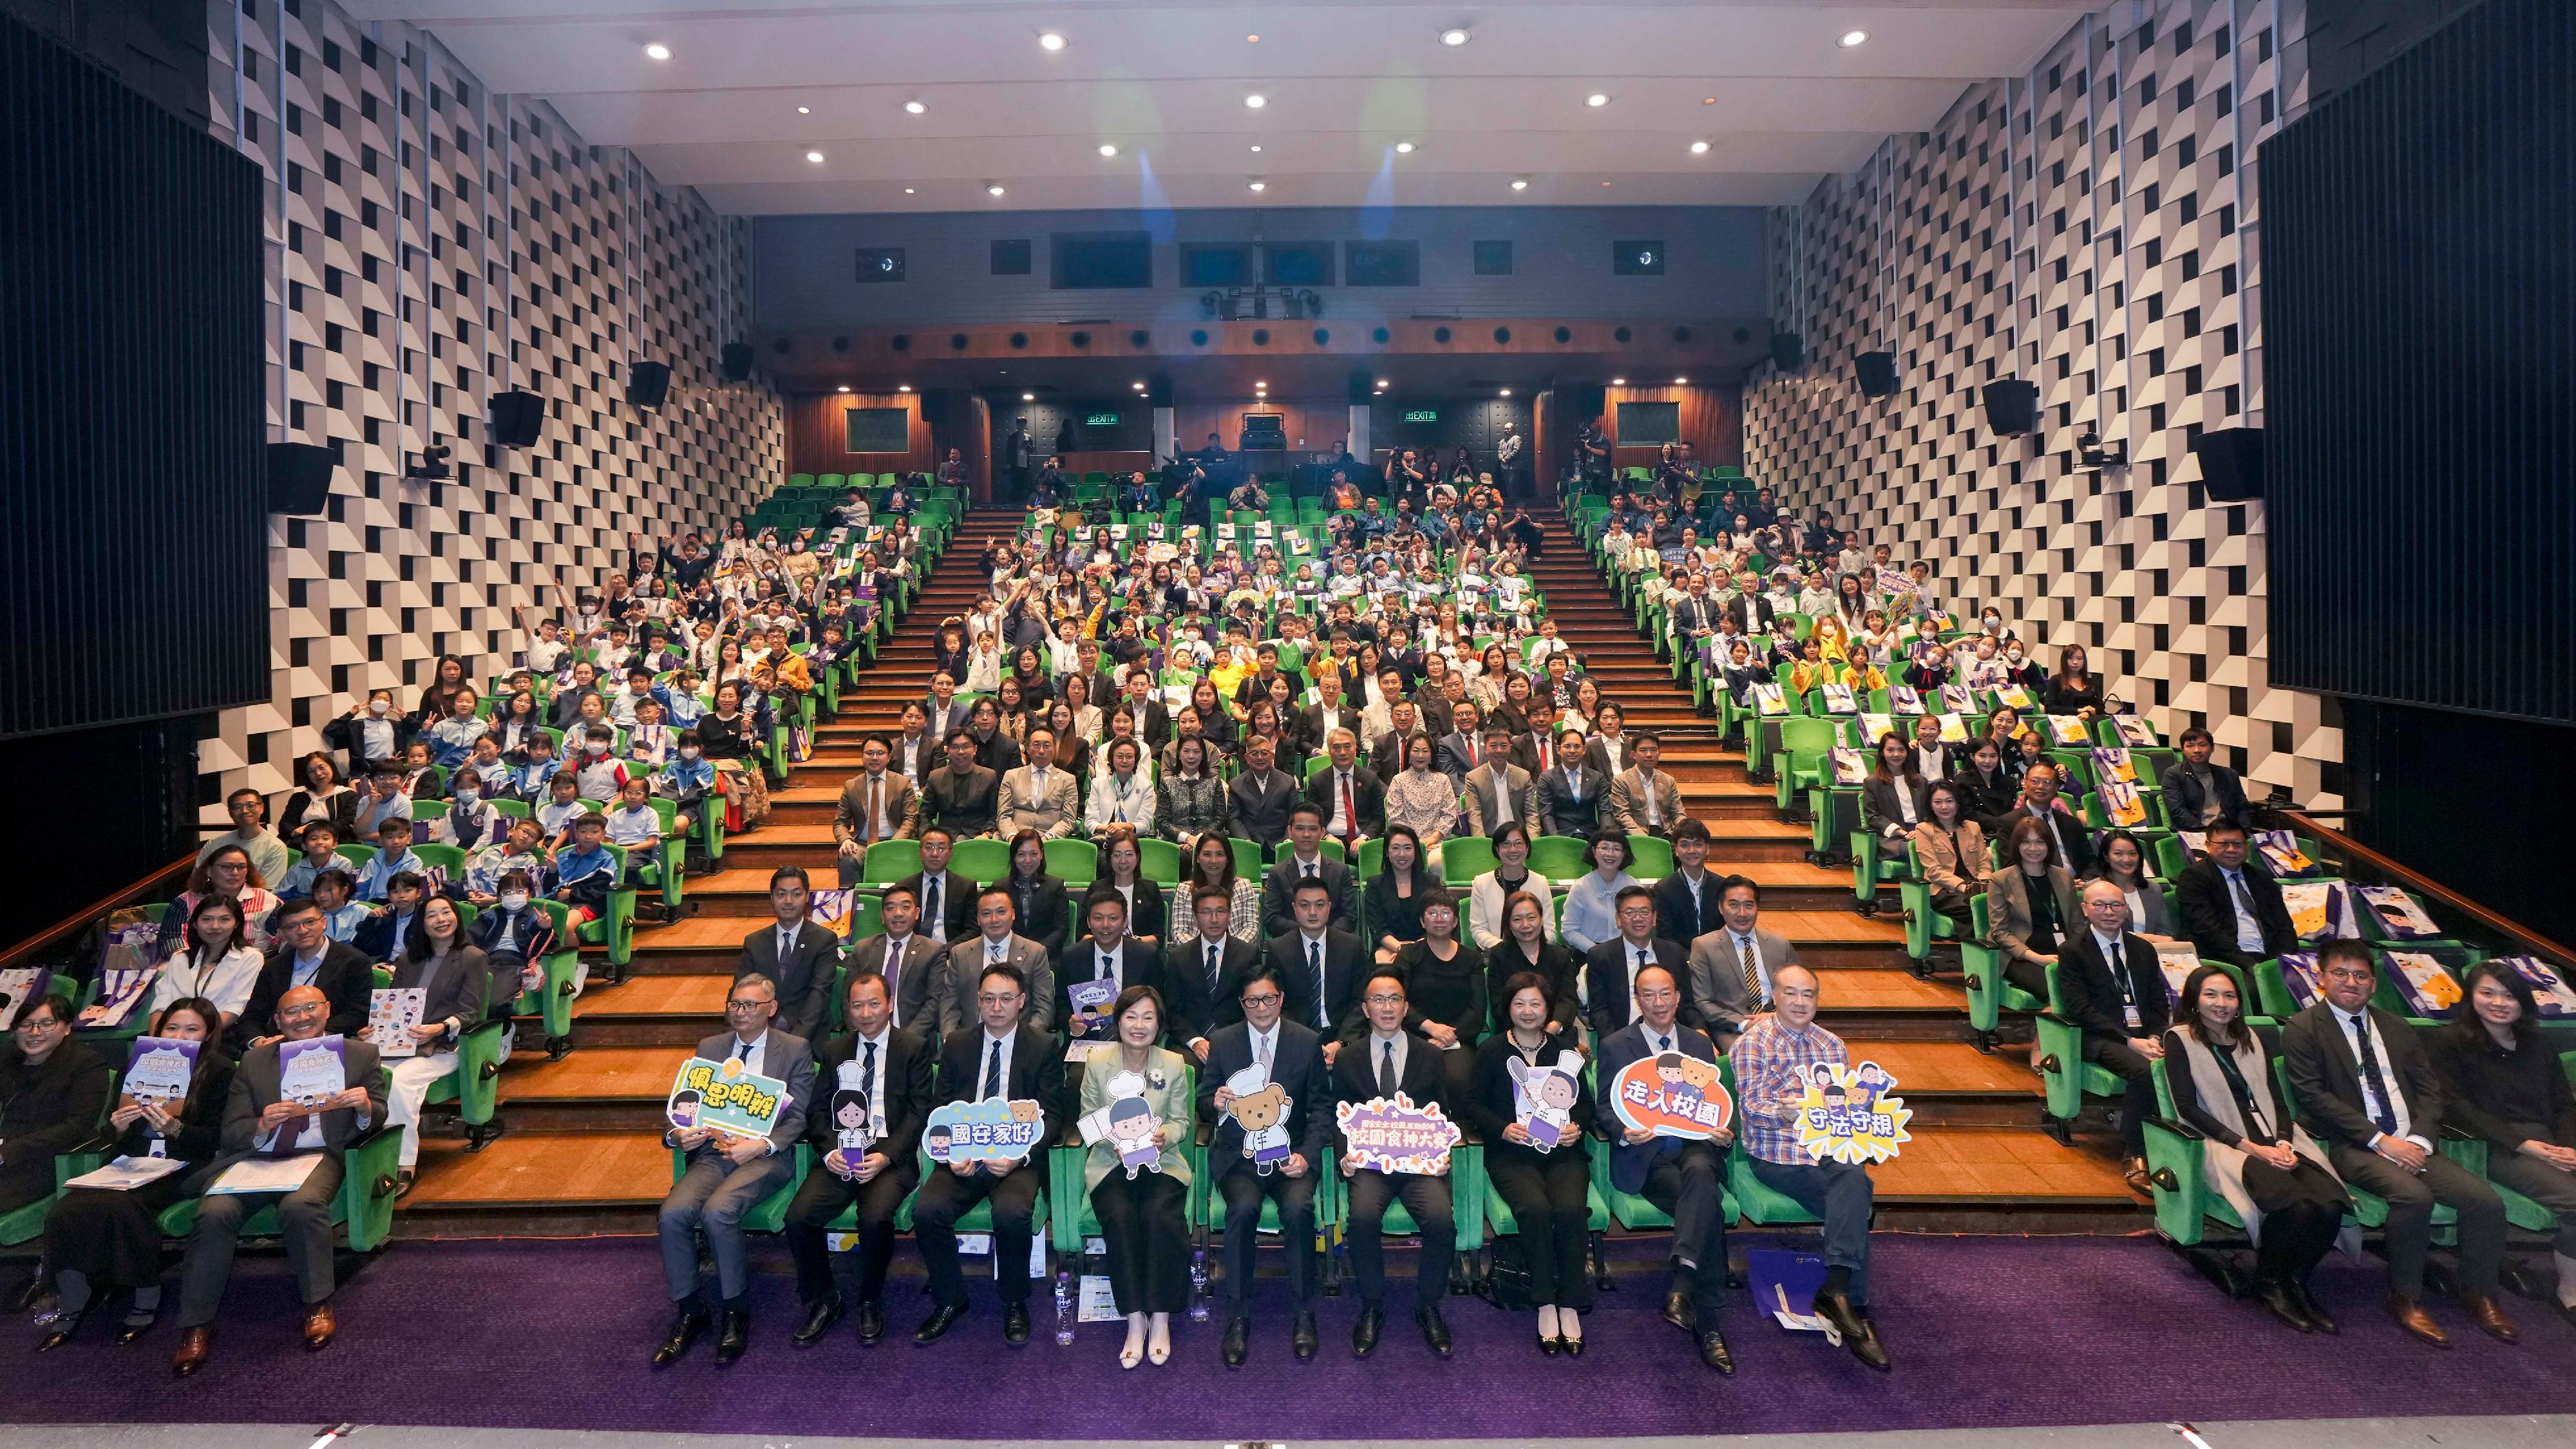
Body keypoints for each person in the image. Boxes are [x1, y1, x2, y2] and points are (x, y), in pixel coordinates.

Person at [2283, 940, 2515, 1347]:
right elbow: (2314, 1098)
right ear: (2322, 979)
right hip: (2350, 1144)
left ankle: (2480, 1292)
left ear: (2373, 984)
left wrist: (2421, 1140)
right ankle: (2405, 1296)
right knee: (2414, 1196)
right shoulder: (2303, 1029)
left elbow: (2430, 1091)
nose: (2351, 982)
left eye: (2360, 975)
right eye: (2340, 973)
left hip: (2414, 1142)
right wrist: (2382, 1142)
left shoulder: (2396, 1026)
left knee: (2486, 1201)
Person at [171, 984, 384, 1376]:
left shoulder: (360, 1054)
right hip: (259, 1156)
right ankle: (196, 1324)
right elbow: (232, 1132)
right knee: (214, 1212)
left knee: (302, 1206)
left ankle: (317, 1302)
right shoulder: (253, 1062)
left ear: (327, 1008)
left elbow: (379, 1116)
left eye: (309, 1008)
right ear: (277, 1020)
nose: (301, 1018)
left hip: (319, 1155)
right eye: (290, 1012)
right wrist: (261, 1124)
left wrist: (366, 1107)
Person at [2161, 964, 2351, 1333]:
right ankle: (2270, 1282)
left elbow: (2278, 1100)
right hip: (2226, 1145)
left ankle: (2296, 1280)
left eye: (2230, 996)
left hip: (2275, 1142)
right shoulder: (2180, 1038)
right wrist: (2249, 1147)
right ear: (2195, 1001)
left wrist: (2282, 1139)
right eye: (2211, 995)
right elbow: (2187, 1108)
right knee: (2298, 1207)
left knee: (2331, 1205)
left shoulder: (2250, 1037)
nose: (2222, 1003)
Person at [35, 998, 233, 1350]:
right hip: (131, 1162)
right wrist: (115, 1126)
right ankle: (72, 1301)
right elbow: (111, 1134)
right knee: (67, 1209)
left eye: (192, 1029)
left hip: (185, 1165)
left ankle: (145, 1297)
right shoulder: (140, 1064)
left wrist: (176, 1129)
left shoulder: (219, 1071)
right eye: (172, 1027)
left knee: (126, 1208)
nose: (180, 1035)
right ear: (159, 1029)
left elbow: (219, 1138)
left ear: (208, 1034)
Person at [1727, 964, 1890, 1368]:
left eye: (1809, 995)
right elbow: (1750, 1108)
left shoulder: (1832, 1045)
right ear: (1775, 997)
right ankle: (1855, 1308)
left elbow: (1845, 1106)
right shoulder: (1753, 1043)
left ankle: (1837, 1292)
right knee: (1853, 1198)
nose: (1801, 1002)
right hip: (1777, 1152)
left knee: (1853, 1177)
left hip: (1826, 1148)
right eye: (1792, 993)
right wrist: (1781, 1114)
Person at [653, 972, 817, 1367]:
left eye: (750, 1006)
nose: (740, 1013)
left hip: (765, 1157)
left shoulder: (794, 1049)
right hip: (713, 1153)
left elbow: (797, 1119)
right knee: (672, 1214)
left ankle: (735, 1310)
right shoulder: (710, 1048)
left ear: (771, 1010)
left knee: (718, 1211)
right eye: (734, 1005)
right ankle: (691, 1310)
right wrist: (679, 1136)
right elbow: (683, 1107)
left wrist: (760, 1144)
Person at [914, 963, 1066, 1345]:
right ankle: (951, 1299)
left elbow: (1053, 1114)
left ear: (1022, 1002)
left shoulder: (1043, 1046)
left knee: (1013, 1213)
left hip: (1016, 1158)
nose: (996, 1006)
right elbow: (940, 1108)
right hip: (964, 1156)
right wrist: (949, 1154)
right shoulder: (958, 1043)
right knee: (927, 1211)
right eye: (988, 999)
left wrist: (1021, 1157)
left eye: (1005, 998)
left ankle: (1014, 1299)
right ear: (977, 1001)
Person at [784, 969, 934, 1347]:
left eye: (874, 1003)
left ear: (889, 1005)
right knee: (799, 1218)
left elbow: (919, 1112)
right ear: (848, 1010)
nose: (866, 1013)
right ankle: (825, 1298)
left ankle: (869, 1299)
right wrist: (830, 1150)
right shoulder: (835, 1051)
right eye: (857, 1005)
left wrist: (886, 1156)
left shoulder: (913, 1047)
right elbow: (817, 1111)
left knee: (873, 1217)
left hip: (889, 1154)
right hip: (842, 1150)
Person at [1596, 965, 1734, 1372]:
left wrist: (1723, 1133)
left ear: (1678, 997)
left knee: (1702, 1173)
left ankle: (1686, 1289)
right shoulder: (1617, 1044)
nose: (1658, 1003)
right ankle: (1706, 1321)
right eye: (1648, 995)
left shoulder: (1698, 1043)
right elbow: (1605, 1105)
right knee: (1704, 1199)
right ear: (1638, 1000)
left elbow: (1713, 1105)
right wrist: (1623, 1130)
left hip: (1696, 1146)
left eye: (1665, 994)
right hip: (1648, 1156)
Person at [1201, 963, 1331, 1364]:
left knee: (1298, 1209)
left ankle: (1303, 1309)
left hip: (1289, 1154)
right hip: (1240, 1157)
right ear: (1242, 1003)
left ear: (1281, 999)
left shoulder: (1306, 1041)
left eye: (1268, 998)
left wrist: (1306, 1156)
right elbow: (1203, 1104)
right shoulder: (1223, 1042)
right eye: (1252, 1000)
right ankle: (1238, 1313)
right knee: (1242, 1209)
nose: (1261, 1007)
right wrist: (1216, 1102)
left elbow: (1322, 1108)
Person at [2434, 961, 2576, 1326]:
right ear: (2471, 997)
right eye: (2488, 993)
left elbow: (2564, 1105)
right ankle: (2570, 1292)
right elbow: (2459, 1109)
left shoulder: (2537, 1045)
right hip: (2496, 1145)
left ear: (2523, 1002)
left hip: (2552, 1142)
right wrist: (2524, 1145)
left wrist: (2569, 1146)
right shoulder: (2451, 1044)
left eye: (2510, 995)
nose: (2499, 1002)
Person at [1466, 972, 1595, 1354]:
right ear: (1507, 1008)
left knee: (1571, 1210)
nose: (1527, 1011)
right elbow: (1472, 1104)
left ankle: (1570, 1301)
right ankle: (1545, 1301)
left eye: (1535, 1003)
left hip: (1563, 1152)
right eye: (1519, 1003)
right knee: (1535, 1209)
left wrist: (1577, 1127)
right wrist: (1501, 1128)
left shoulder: (1564, 1053)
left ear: (1547, 1009)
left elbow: (1585, 1104)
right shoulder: (1491, 1051)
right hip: (1513, 1154)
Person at [1334, 969, 1458, 1357]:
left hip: (1420, 1165)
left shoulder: (1431, 1055)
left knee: (1441, 1220)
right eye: (1378, 1000)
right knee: (1364, 1219)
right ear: (1365, 1009)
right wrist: (1345, 1154)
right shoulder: (1348, 1057)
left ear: (1406, 1008)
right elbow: (1339, 1117)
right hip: (1370, 1165)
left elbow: (1443, 1113)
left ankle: (1428, 1305)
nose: (1386, 1007)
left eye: (1394, 1000)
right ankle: (1372, 1304)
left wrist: (1443, 1154)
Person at [1079, 985, 1193, 1368]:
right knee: (1122, 1216)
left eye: (1148, 1017)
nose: (1139, 1025)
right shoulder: (1097, 1061)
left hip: (1162, 1161)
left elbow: (1182, 1122)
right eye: (1131, 1016)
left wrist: (1166, 1136)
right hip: (1112, 1163)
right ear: (1118, 1020)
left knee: (1160, 1215)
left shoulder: (1173, 1064)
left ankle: (1160, 1315)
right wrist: (1114, 1140)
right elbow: (1087, 1120)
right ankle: (1133, 1318)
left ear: (1159, 1024)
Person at [2056, 880, 2170, 1188]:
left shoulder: (2143, 949)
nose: (2109, 912)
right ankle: (2135, 1152)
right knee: (2145, 1072)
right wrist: (2129, 1040)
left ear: (2127, 909)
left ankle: (2178, 1148)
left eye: (2116, 905)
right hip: (2100, 1036)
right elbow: (2079, 1008)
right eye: (2100, 905)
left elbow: (2159, 1004)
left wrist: (2157, 1036)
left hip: (2146, 1036)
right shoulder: (2073, 951)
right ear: (2085, 909)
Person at [380, 897, 491, 1191]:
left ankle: (404, 1163)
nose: (441, 919)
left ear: (456, 917)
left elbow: (470, 1013)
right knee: (372, 1076)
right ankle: (371, 1157)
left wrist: (440, 1028)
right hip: (405, 1044)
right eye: (432, 915)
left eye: (447, 912)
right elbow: (394, 1006)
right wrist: (377, 1027)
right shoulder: (407, 960)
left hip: (446, 1045)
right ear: (422, 924)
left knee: (401, 1081)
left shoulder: (472, 957)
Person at [0, 993, 113, 1218]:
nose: (34, 1033)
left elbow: (77, 1126)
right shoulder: (7, 1058)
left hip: (47, 1160)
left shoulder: (86, 1064)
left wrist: (7, 1152)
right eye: (25, 1024)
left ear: (68, 1027)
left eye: (47, 1023)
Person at [1386, 889, 1486, 1104]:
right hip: (1414, 1036)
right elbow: (1397, 1000)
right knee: (1408, 1081)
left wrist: (1447, 1036)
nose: (1439, 919)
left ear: (1456, 921)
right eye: (1432, 913)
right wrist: (1430, 1027)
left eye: (1446, 913)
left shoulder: (1472, 959)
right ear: (1422, 921)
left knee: (1458, 1079)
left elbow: (1477, 1011)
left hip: (1458, 1039)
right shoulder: (1408, 955)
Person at [1688, 875, 1803, 1048]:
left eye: (1749, 905)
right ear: (1720, 907)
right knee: (1747, 1056)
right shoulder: (1704, 946)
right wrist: (1744, 1024)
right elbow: (1703, 1001)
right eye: (1733, 905)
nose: (1742, 913)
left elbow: (1799, 991)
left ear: (1758, 908)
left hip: (1781, 1023)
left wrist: (1775, 1016)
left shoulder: (1781, 945)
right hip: (1733, 1031)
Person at [735, 866, 840, 1044]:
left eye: (796, 894)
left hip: (808, 1037)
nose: (789, 901)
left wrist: (794, 1045)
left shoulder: (824, 940)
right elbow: (739, 994)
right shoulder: (754, 942)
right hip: (759, 1034)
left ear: (807, 897)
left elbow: (819, 995)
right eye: (781, 894)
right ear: (772, 898)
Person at [2176, 820, 2297, 969]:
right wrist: (2251, 966)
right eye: (2223, 844)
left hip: (2269, 957)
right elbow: (2208, 931)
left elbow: (2284, 925)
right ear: (2208, 846)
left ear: (2246, 847)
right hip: (2222, 960)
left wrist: (2285, 961)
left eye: (2238, 844)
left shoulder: (2261, 878)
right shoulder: (2194, 877)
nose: (2232, 849)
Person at [1988, 817, 2081, 1004]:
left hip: (2063, 951)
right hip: (2022, 955)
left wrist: (2079, 954)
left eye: (2040, 842)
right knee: (2057, 991)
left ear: (2049, 845)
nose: (2033, 849)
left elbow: (2078, 924)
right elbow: (2000, 932)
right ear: (2017, 845)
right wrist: (2037, 958)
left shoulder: (2063, 877)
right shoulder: (2001, 879)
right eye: (2026, 842)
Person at [1584, 885, 1689, 1037]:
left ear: (1654, 918)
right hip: (1622, 1039)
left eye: (1644, 912)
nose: (1638, 918)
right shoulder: (1600, 956)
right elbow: (1599, 1011)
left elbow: (1687, 1003)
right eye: (1629, 912)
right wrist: (1616, 1044)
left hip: (1671, 1036)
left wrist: (1699, 1030)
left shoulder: (1674, 953)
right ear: (1618, 919)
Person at [151, 895, 264, 1028]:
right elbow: (160, 1005)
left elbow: (235, 1009)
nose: (215, 926)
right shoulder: (180, 958)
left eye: (224, 920)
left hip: (220, 1035)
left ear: (237, 924)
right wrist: (157, 1041)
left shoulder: (250, 958)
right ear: (195, 924)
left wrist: (197, 1036)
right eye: (207, 919)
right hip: (174, 1036)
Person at [832, 735, 919, 887]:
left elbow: (910, 818)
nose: (874, 757)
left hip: (894, 842)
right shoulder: (851, 786)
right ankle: (849, 905)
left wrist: (896, 842)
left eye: (880, 753)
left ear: (889, 757)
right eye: (870, 753)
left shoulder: (903, 783)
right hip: (862, 845)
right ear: (862, 756)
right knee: (847, 859)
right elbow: (840, 822)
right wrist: (846, 839)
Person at [1262, 803, 1359, 938]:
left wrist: (1324, 936)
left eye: (1313, 829)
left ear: (1322, 833)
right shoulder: (1277, 873)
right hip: (1292, 945)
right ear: (1290, 832)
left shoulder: (1341, 871)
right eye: (1300, 828)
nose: (1306, 834)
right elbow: (1272, 919)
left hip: (1333, 945)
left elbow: (1350, 917)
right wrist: (1306, 933)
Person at [1910, 781, 1991, 925]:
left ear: (1958, 803)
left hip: (1975, 885)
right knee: (1974, 908)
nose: (1944, 807)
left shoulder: (1973, 827)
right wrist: (1963, 887)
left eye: (1949, 801)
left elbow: (1984, 863)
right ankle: (1977, 943)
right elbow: (1934, 871)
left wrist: (1983, 883)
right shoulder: (1924, 830)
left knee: (2002, 905)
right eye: (1938, 802)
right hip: (1943, 889)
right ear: (1931, 805)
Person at [1467, 820, 1555, 951]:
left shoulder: (1541, 882)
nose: (1513, 849)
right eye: (1506, 844)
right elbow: (1478, 929)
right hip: (1496, 953)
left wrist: (1529, 948)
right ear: (1497, 849)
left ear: (1527, 848)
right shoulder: (1482, 883)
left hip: (1534, 954)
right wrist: (1506, 950)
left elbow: (1549, 931)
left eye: (1518, 843)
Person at [2160, 726, 2256, 833]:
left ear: (2212, 748)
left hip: (2229, 830)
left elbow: (2242, 808)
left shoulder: (2229, 774)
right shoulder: (2173, 774)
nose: (2197, 750)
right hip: (2194, 831)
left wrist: (2243, 832)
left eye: (2202, 745)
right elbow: (2178, 811)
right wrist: (2204, 831)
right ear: (2183, 750)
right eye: (2190, 746)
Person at [1560, 830, 1640, 956]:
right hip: (1589, 953)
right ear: (1594, 852)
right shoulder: (1580, 887)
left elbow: (1641, 925)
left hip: (1628, 953)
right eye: (1604, 847)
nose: (1610, 854)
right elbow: (1569, 930)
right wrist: (1595, 950)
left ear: (1624, 854)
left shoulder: (1634, 887)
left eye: (1617, 849)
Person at [2088, 829, 2174, 940]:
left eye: (2132, 854)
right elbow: (2094, 933)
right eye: (2118, 854)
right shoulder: (2094, 889)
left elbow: (2165, 933)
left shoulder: (2153, 889)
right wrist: (2140, 938)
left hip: (2154, 952)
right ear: (2106, 856)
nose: (2127, 859)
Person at [898, 828, 978, 946]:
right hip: (913, 950)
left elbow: (973, 930)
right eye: (929, 848)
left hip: (951, 951)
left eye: (941, 848)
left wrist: (946, 950)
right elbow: (899, 925)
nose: (935, 854)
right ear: (920, 851)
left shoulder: (966, 886)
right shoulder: (905, 887)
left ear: (950, 852)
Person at [999, 829, 1072, 958]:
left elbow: (1061, 929)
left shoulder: (1056, 886)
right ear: (1013, 856)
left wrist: (1036, 953)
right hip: (1008, 955)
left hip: (1046, 956)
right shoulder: (1000, 887)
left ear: (1042, 854)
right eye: (1021, 854)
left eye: (1034, 854)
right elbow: (997, 927)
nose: (1028, 860)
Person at [197, 788, 292, 886]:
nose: (244, 811)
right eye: (237, 807)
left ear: (262, 808)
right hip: (213, 898)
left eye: (251, 805)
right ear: (230, 812)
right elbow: (199, 879)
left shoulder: (275, 847)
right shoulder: (215, 844)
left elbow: (267, 890)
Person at [1000, 726, 1081, 838]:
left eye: (1047, 746)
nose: (1041, 751)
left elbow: (1069, 819)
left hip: (1050, 840)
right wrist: (1013, 837)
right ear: (1028, 749)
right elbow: (1003, 815)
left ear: (1055, 748)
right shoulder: (1011, 776)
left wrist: (1047, 838)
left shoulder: (1068, 780)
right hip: (1016, 837)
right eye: (1036, 745)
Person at [1461, 724, 1540, 838]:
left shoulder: (1523, 776)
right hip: (1490, 839)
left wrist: (1532, 843)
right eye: (1493, 746)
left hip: (1519, 838)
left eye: (1504, 746)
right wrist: (1482, 845)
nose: (1499, 751)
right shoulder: (1473, 778)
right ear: (1485, 749)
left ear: (1510, 747)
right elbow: (1475, 816)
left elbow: (1531, 814)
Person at [921, 730, 1003, 838]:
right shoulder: (936, 777)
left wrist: (987, 834)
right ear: (948, 750)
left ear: (975, 749)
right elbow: (925, 814)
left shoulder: (989, 777)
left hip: (978, 837)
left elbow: (993, 815)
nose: (961, 752)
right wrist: (929, 836)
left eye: (966, 747)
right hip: (945, 838)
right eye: (955, 747)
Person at [1227, 734, 1301, 850]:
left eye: (1265, 753)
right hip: (1249, 843)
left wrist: (1287, 840)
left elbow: (1295, 815)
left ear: (1272, 755)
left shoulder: (1287, 782)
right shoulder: (1236, 785)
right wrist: (1246, 842)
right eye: (1254, 754)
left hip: (1282, 842)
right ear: (1247, 758)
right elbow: (1234, 818)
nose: (1260, 758)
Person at [1606, 734, 1683, 840]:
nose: (1649, 755)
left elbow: (1678, 813)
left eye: (1654, 750)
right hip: (1636, 835)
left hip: (1666, 834)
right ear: (1633, 754)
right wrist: (1644, 839)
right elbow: (1622, 815)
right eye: (1643, 750)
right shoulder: (1621, 781)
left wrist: (1683, 830)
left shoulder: (1668, 780)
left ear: (1659, 753)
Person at [1536, 727, 1605, 838]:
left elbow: (1605, 812)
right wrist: (1556, 839)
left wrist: (1606, 838)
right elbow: (1546, 815)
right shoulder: (1547, 778)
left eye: (1577, 746)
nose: (1572, 751)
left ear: (1584, 750)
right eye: (1567, 746)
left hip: (1591, 836)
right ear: (1558, 749)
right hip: (1561, 836)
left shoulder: (1597, 777)